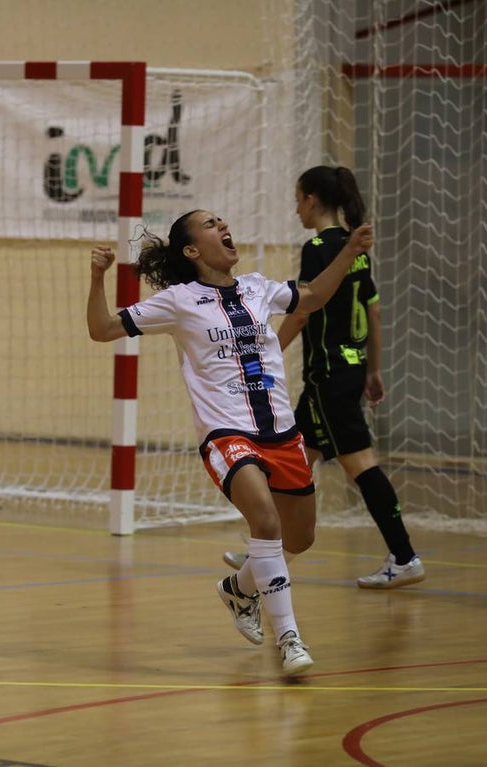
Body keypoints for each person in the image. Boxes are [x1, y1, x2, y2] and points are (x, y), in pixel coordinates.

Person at [87, 209, 374, 675]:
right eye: (210, 223)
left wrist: (349, 249)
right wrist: (98, 278)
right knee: (264, 519)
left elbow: (315, 296)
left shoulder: (259, 287)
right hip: (226, 432)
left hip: (281, 431)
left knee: (299, 537)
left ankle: (239, 589)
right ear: (192, 250)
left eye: (223, 220)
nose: (223, 225)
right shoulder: (178, 300)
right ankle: (290, 639)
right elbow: (102, 330)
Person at [222, 165, 423, 589]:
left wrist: (267, 349)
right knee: (296, 458)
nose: (296, 208)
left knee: (361, 465)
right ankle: (264, 552)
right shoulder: (358, 249)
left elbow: (303, 307)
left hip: (328, 373)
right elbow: (374, 310)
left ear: (311, 200)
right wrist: (372, 368)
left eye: (298, 199)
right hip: (345, 370)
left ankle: (404, 556)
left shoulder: (318, 247)